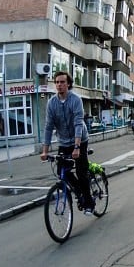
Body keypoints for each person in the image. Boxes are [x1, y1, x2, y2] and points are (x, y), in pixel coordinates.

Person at [40, 71, 94, 215]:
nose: (59, 85)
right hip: (64, 142)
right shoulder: (52, 103)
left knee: (82, 173)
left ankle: (89, 203)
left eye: (62, 82)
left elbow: (78, 123)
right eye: (57, 82)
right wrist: (45, 150)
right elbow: (48, 126)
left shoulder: (76, 100)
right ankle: (79, 193)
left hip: (80, 140)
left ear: (68, 84)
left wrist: (77, 147)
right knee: (61, 172)